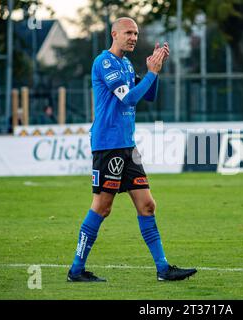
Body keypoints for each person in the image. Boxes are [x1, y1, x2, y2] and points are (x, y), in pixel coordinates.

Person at [67, 17, 197, 282]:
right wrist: (151, 73)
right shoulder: (104, 63)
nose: (134, 38)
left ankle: (163, 269)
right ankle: (76, 270)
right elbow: (129, 97)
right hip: (109, 146)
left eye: (136, 33)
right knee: (102, 207)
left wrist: (155, 71)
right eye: (128, 32)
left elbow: (147, 95)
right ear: (114, 34)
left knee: (147, 205)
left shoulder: (126, 64)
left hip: (128, 147)